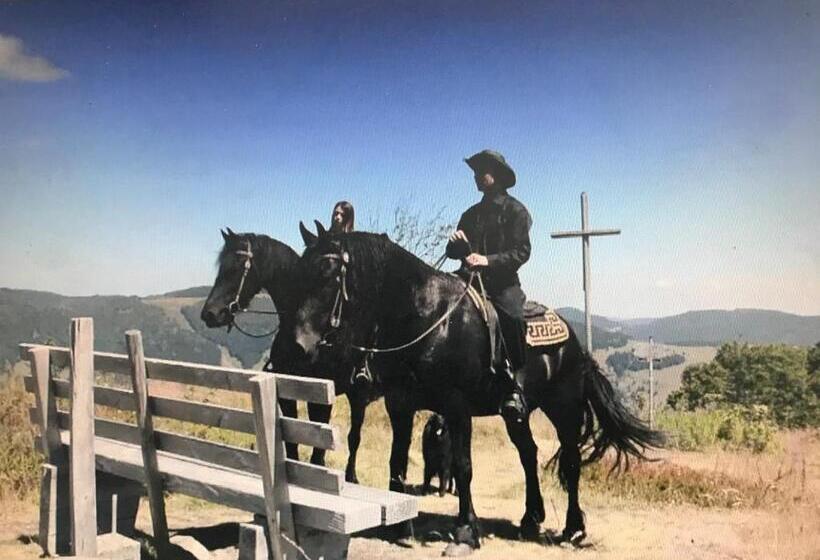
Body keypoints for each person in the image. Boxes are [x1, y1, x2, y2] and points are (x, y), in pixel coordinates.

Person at [446, 149, 532, 423]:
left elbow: (521, 252)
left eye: (479, 172)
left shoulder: (516, 211)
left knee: (513, 317)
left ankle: (516, 386)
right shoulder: (470, 214)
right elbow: (453, 252)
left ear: (494, 175)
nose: (475, 177)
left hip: (502, 284)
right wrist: (455, 245)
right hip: (467, 280)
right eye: (474, 172)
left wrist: (487, 260)